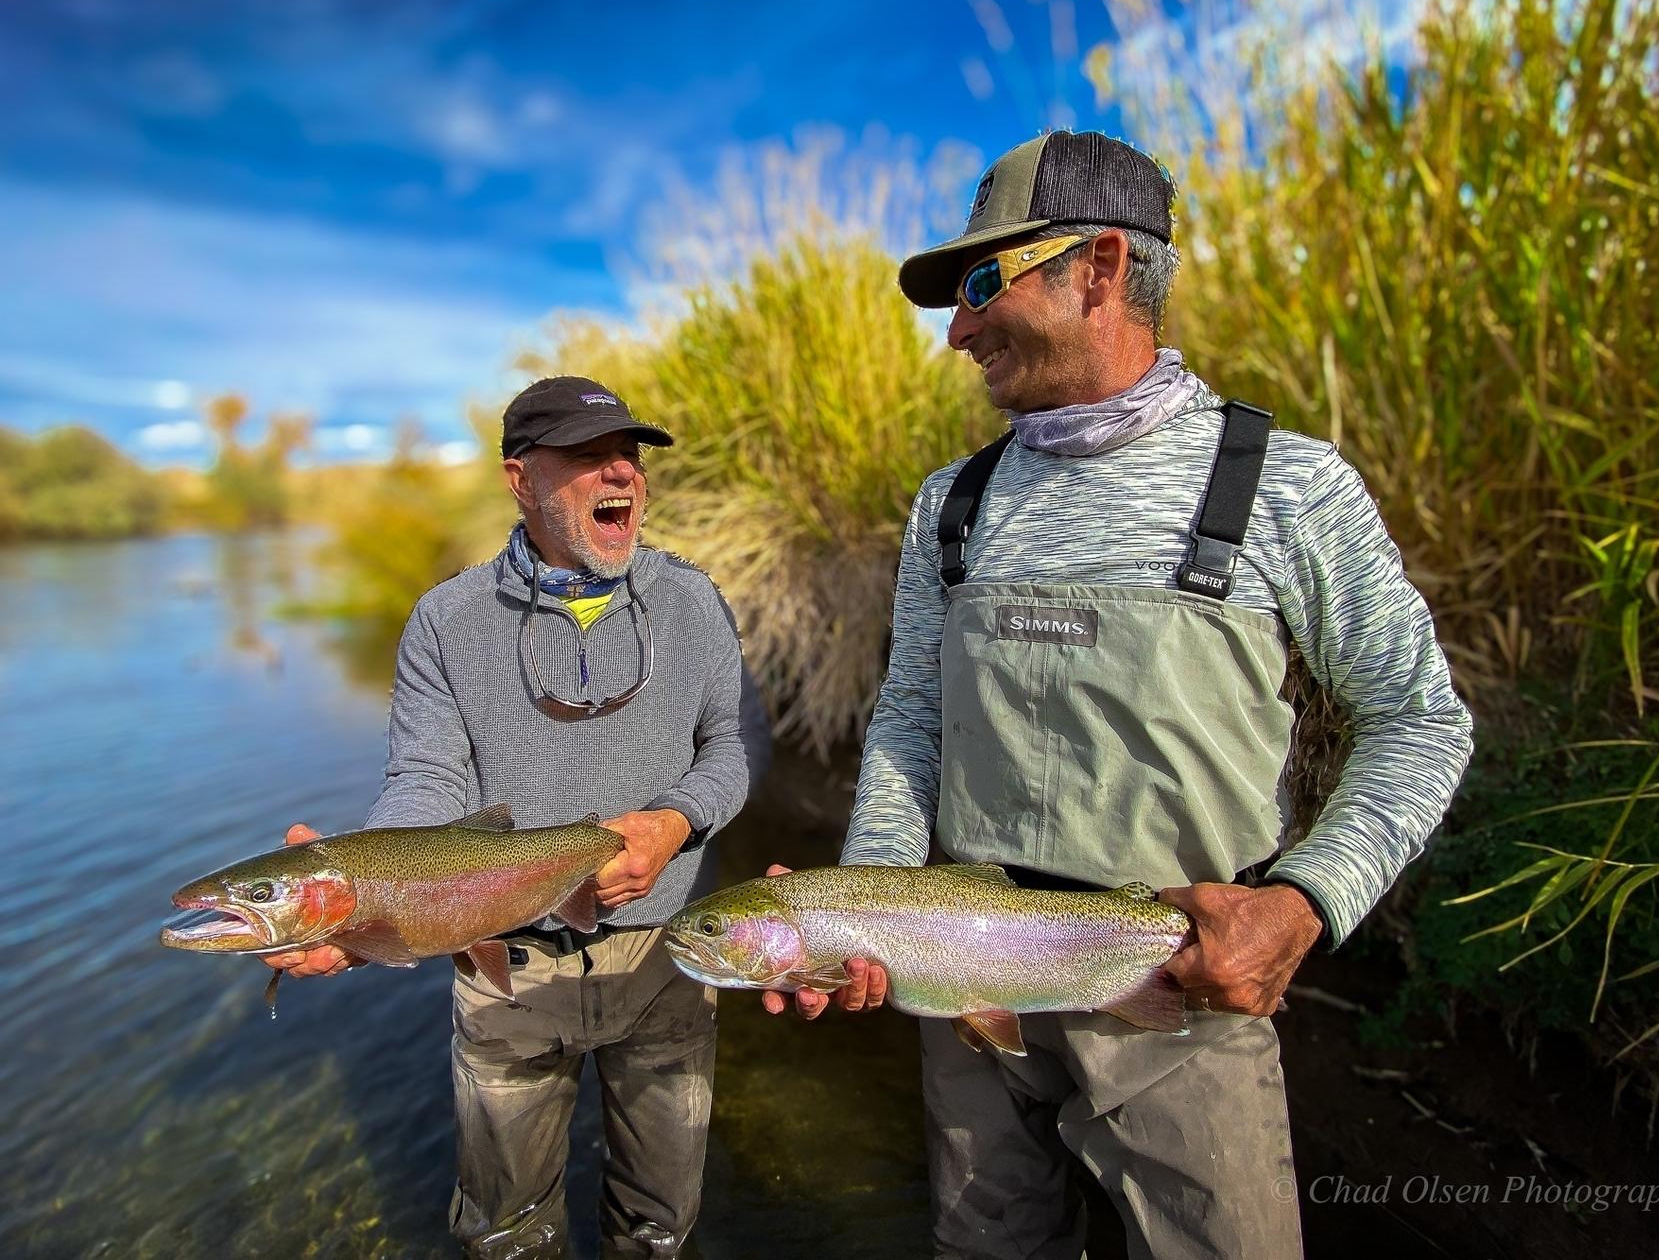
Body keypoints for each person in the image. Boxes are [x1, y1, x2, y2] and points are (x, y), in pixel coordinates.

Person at [764, 130, 1473, 1257]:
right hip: (966, 997)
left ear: (1098, 268)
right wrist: (865, 908)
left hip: (1180, 1002)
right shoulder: (950, 504)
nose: (956, 329)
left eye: (982, 283)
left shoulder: (1286, 486)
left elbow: (1419, 718)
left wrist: (1301, 905)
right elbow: (910, 718)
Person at [264, 375, 769, 1260]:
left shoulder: (694, 601)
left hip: (670, 958)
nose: (620, 471)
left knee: (658, 1224)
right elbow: (427, 778)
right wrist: (369, 883)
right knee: (504, 1233)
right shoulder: (444, 620)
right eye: (585, 455)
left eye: (630, 453)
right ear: (519, 478)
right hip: (504, 969)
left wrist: (678, 821)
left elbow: (734, 750)